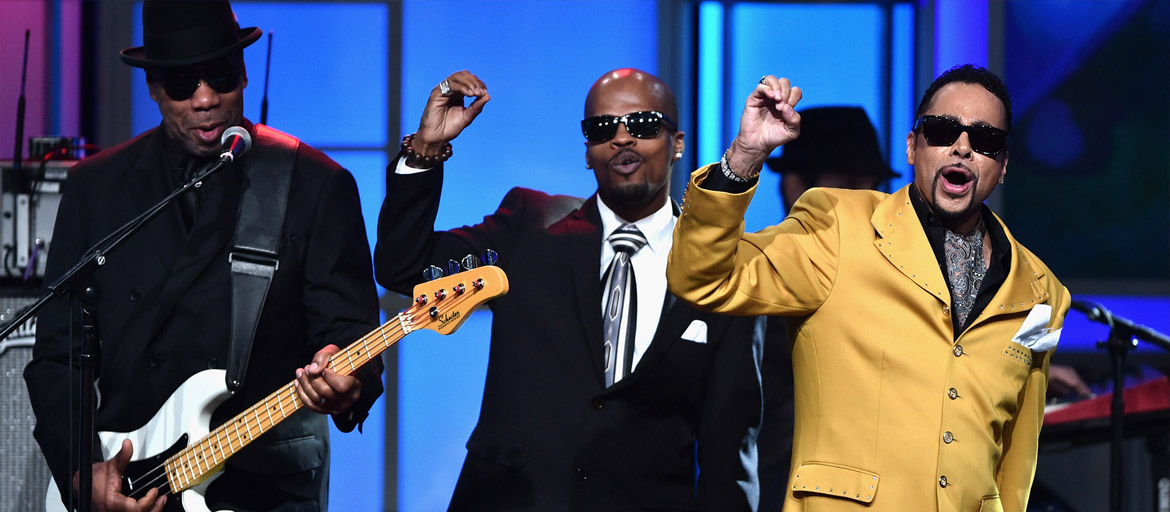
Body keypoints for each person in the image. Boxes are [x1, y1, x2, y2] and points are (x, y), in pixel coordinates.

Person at [25, 1, 383, 511]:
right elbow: (58, 356)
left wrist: (348, 380)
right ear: (153, 88)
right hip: (133, 484)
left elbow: (350, 333)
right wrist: (82, 473)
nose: (206, 99)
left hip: (265, 488)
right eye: (181, 85)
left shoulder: (313, 183)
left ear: (243, 73)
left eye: (221, 77)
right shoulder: (96, 188)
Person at [667, 64, 1071, 512]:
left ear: (1004, 163)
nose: (962, 147)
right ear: (912, 146)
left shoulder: (1042, 293)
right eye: (942, 131)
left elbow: (1017, 460)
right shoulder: (837, 227)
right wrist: (743, 158)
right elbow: (701, 278)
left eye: (985, 139)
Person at [375, 68, 764, 511]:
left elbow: (729, 450)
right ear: (587, 152)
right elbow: (405, 268)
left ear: (677, 143)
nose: (621, 138)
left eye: (642, 125)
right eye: (602, 129)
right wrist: (425, 150)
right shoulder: (528, 225)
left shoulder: (724, 270)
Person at [758, 105, 900, 511]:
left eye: (874, 189)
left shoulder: (901, 274)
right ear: (796, 187)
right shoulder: (756, 277)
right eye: (851, 187)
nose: (870, 204)